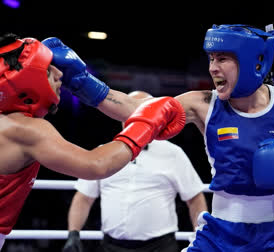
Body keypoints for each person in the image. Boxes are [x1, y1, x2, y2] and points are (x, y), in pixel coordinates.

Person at [42, 23, 274, 252]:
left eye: (222, 58)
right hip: (222, 235)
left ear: (251, 62)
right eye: (211, 58)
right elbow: (138, 109)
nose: (212, 68)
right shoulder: (203, 104)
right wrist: (81, 82)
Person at [0, 33, 186, 252]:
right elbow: (96, 166)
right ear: (30, 81)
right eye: (49, 70)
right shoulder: (27, 129)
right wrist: (144, 125)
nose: (60, 75)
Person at [62, 91, 208, 252]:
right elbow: (83, 198)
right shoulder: (103, 153)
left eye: (144, 112)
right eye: (132, 112)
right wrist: (73, 233)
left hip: (160, 247)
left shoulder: (173, 154)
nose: (138, 118)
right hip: (111, 246)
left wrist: (200, 235)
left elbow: (195, 198)